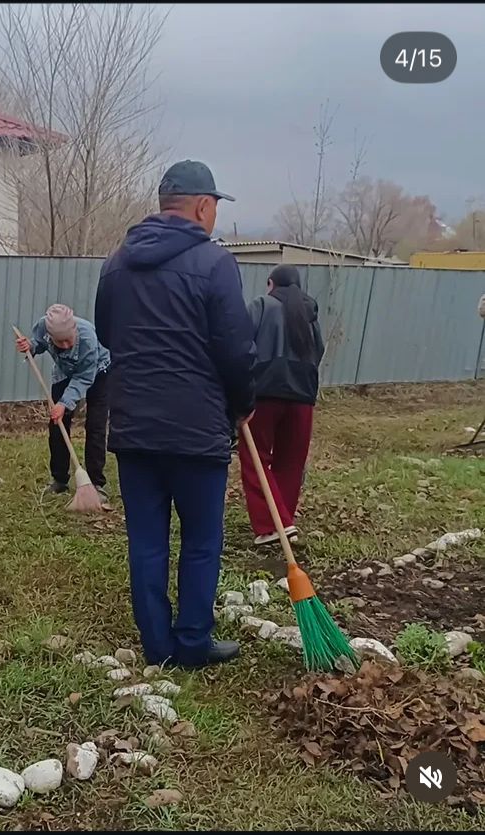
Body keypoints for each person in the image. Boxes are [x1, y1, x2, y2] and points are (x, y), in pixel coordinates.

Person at [94, 160, 256, 669]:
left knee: (147, 541)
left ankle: (156, 647)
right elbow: (236, 350)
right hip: (196, 430)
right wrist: (243, 406)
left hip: (135, 429)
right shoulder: (215, 264)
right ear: (205, 207)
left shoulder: (116, 263)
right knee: (202, 541)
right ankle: (191, 643)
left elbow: (104, 335)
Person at [238, 265, 325, 546]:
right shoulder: (310, 312)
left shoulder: (262, 305)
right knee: (291, 459)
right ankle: (284, 519)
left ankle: (272, 524)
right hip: (302, 395)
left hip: (265, 392)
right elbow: (319, 351)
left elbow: (242, 345)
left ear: (270, 283)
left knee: (256, 457)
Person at [16, 304, 111, 498]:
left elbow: (84, 377)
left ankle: (95, 484)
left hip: (98, 373)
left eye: (69, 340)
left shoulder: (88, 338)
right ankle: (59, 481)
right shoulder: (43, 326)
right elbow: (39, 343)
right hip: (64, 373)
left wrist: (64, 403)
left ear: (74, 330)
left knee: (95, 426)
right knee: (57, 424)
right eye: (60, 342)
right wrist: (30, 347)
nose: (66, 345)